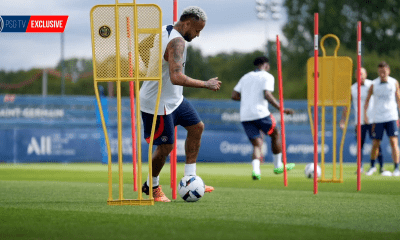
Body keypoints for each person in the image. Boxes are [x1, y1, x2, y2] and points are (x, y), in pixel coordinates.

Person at [139, 6, 221, 202]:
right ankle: (152, 186)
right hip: (157, 102)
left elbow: (142, 48)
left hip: (175, 99)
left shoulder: (164, 28)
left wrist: (152, 66)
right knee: (165, 148)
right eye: (197, 30)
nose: (198, 35)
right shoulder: (177, 42)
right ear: (187, 23)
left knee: (197, 127)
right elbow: (176, 77)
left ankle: (190, 177)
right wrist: (205, 84)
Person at [231, 56, 295, 180]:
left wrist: (247, 99)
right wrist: (281, 109)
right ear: (266, 65)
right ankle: (278, 165)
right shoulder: (267, 76)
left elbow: (234, 95)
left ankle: (256, 171)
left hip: (245, 115)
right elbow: (267, 94)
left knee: (257, 144)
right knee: (275, 134)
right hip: (260, 113)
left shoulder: (245, 77)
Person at [339, 67, 384, 174]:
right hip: (359, 122)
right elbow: (347, 106)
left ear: (366, 74)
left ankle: (380, 167)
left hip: (373, 120)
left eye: (362, 74)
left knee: (376, 143)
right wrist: (343, 120)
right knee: (359, 146)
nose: (360, 76)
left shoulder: (372, 85)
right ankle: (360, 167)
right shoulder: (353, 88)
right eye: (358, 74)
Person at [364, 61, 400, 176]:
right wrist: (365, 115)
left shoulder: (394, 82)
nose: (382, 74)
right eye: (380, 72)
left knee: (394, 142)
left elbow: (399, 100)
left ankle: (397, 168)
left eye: (384, 72)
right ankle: (372, 166)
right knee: (375, 143)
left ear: (388, 71)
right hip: (378, 118)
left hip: (391, 116)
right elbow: (367, 100)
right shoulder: (374, 84)